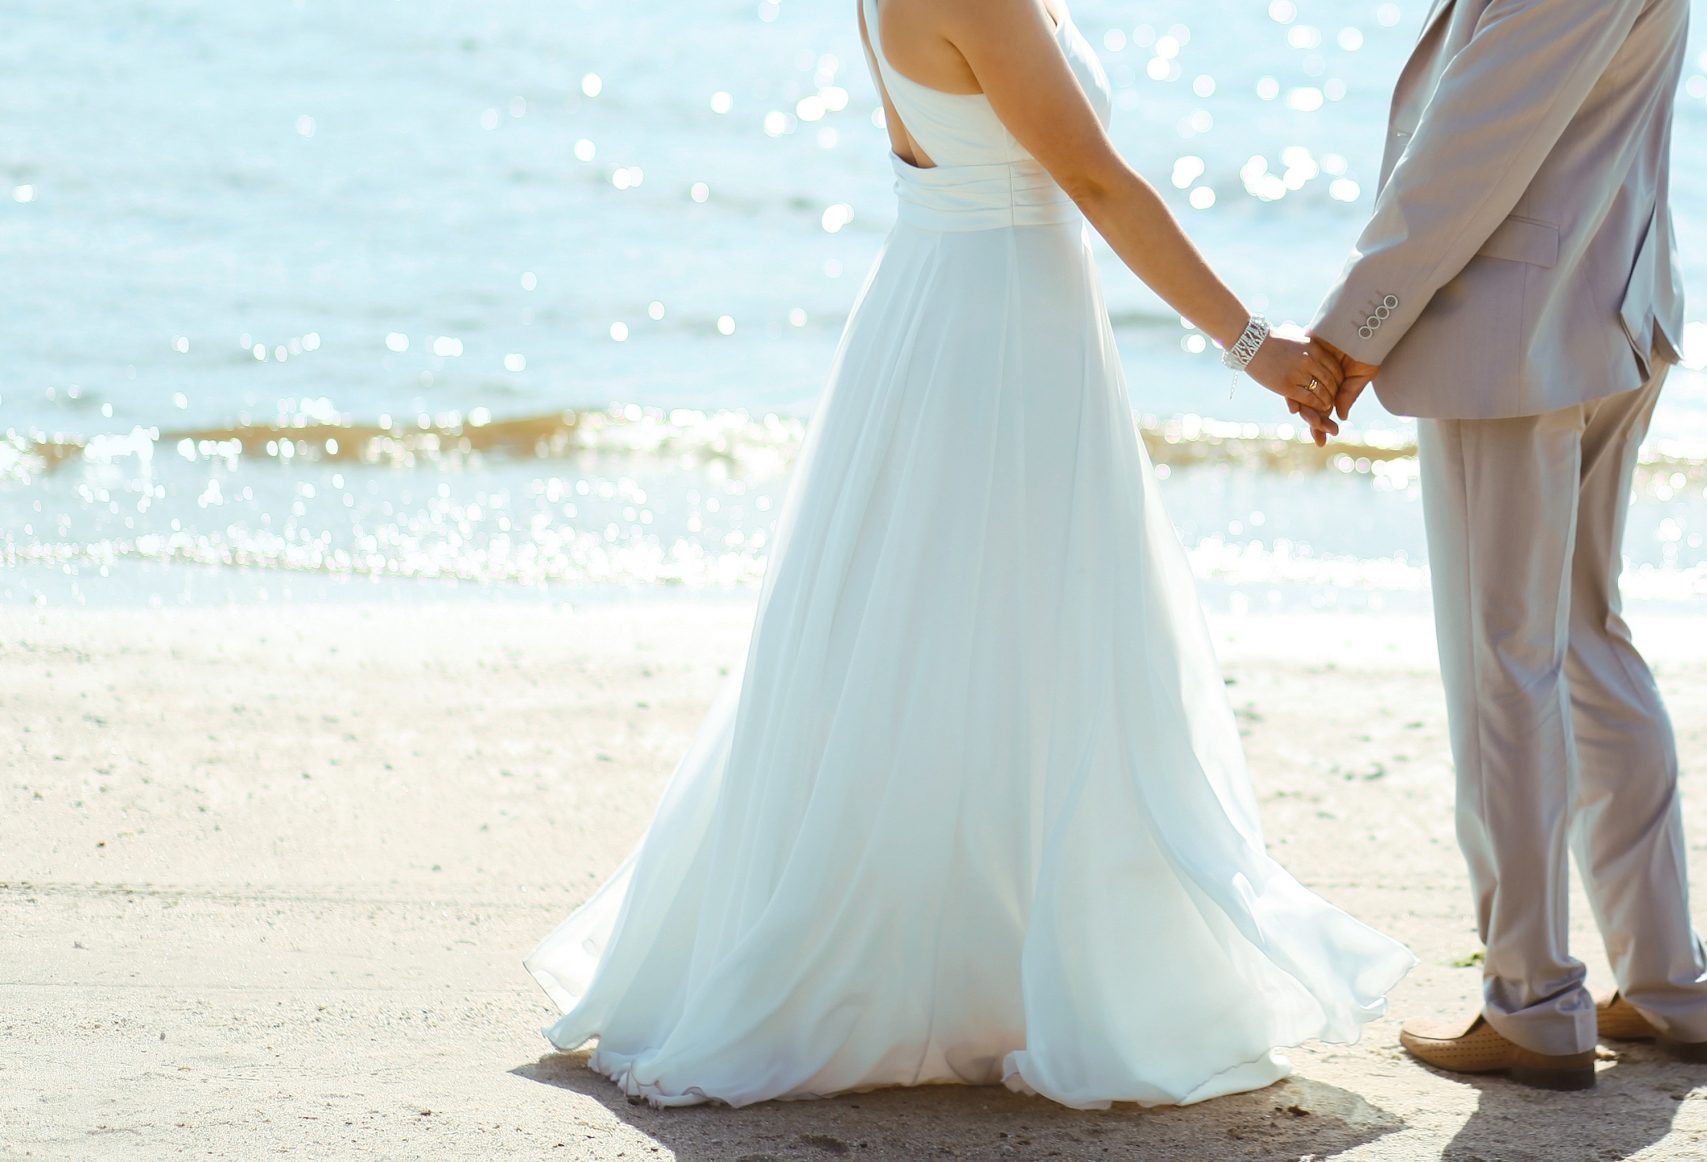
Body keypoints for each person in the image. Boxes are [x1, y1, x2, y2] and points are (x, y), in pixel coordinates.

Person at [525, 0, 1411, 1110]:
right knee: (993, 635)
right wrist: (1253, 345)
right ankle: (984, 969)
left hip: (958, 309)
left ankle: (989, 964)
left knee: (957, 634)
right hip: (993, 333)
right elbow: (1092, 180)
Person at [1308, 0, 1707, 1091]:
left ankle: (1533, 997)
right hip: (1609, 308)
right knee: (1582, 636)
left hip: (1519, 329)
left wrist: (1350, 334)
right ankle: (1667, 983)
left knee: (1509, 659)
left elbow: (1467, 154)